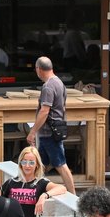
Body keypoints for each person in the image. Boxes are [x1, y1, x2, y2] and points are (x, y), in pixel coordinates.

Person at [25, 56, 75, 195]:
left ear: (38, 69)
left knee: (61, 165)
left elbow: (44, 111)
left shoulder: (48, 86)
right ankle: (34, 191)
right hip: (55, 129)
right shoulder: (59, 82)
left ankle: (74, 198)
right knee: (41, 165)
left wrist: (32, 131)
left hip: (49, 132)